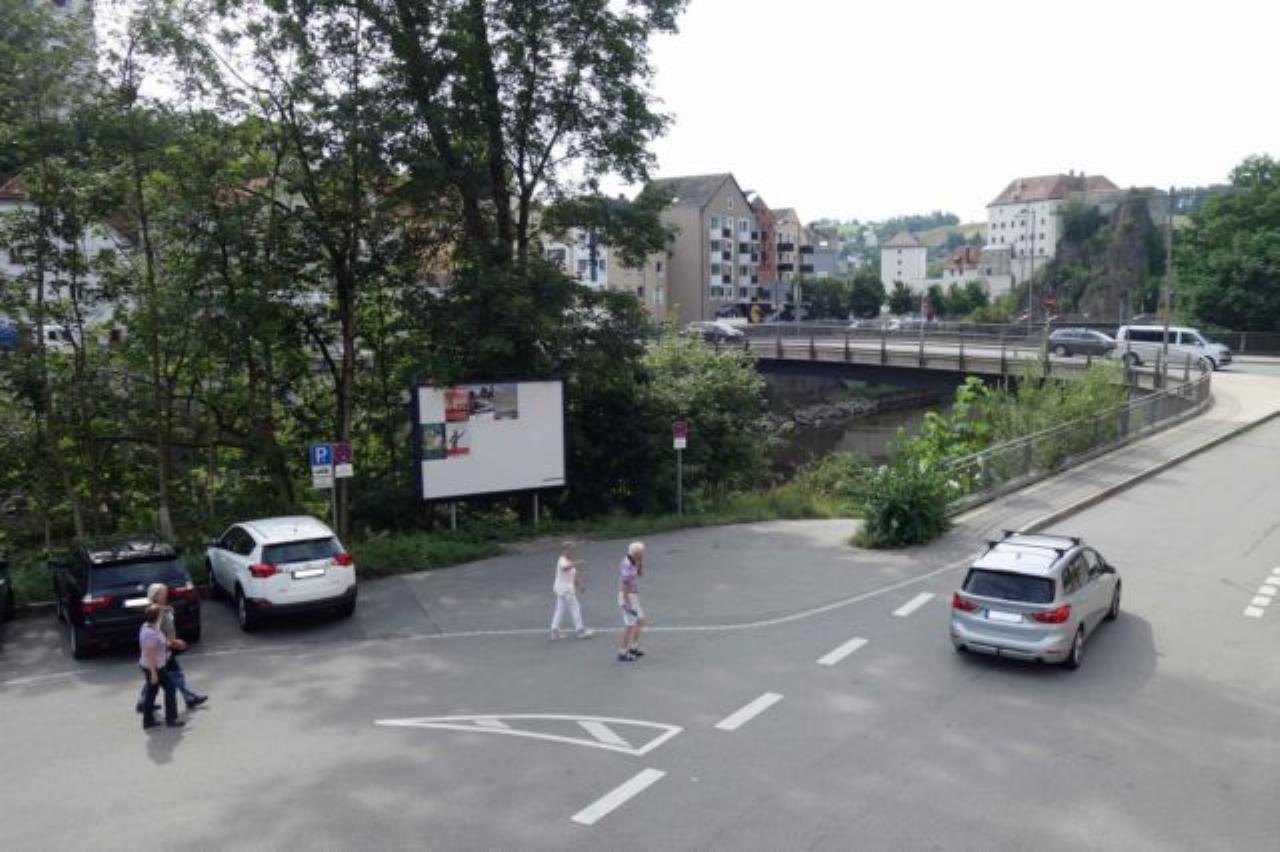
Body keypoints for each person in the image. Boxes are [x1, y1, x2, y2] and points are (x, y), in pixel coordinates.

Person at [136, 583, 207, 713]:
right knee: (172, 676)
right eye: (163, 593)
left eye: (166, 592)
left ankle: (143, 701)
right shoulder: (156, 612)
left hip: (166, 651)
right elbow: (156, 634)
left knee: (162, 678)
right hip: (163, 652)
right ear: (155, 596)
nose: (166, 595)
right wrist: (174, 643)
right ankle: (188, 698)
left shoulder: (162, 609)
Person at [138, 605, 183, 729]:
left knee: (151, 691)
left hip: (150, 665)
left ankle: (148, 721)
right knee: (170, 688)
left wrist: (174, 643)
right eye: (161, 615)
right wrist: (153, 673)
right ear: (157, 617)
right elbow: (151, 654)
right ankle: (171, 719)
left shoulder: (149, 626)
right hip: (155, 667)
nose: (162, 617)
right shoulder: (150, 634)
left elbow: (162, 642)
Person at [549, 542, 593, 640]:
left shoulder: (568, 560)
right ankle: (580, 631)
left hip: (563, 589)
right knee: (575, 608)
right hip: (565, 590)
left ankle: (554, 631)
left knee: (560, 609)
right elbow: (565, 568)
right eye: (572, 549)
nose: (573, 551)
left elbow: (574, 574)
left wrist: (580, 585)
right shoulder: (562, 560)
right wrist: (576, 563)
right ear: (566, 550)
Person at [617, 541, 646, 662]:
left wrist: (640, 564)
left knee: (640, 620)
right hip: (627, 596)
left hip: (633, 596)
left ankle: (634, 647)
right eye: (642, 552)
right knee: (630, 625)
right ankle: (622, 652)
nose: (643, 554)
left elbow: (641, 574)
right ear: (636, 553)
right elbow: (625, 584)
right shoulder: (626, 564)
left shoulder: (634, 561)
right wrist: (627, 603)